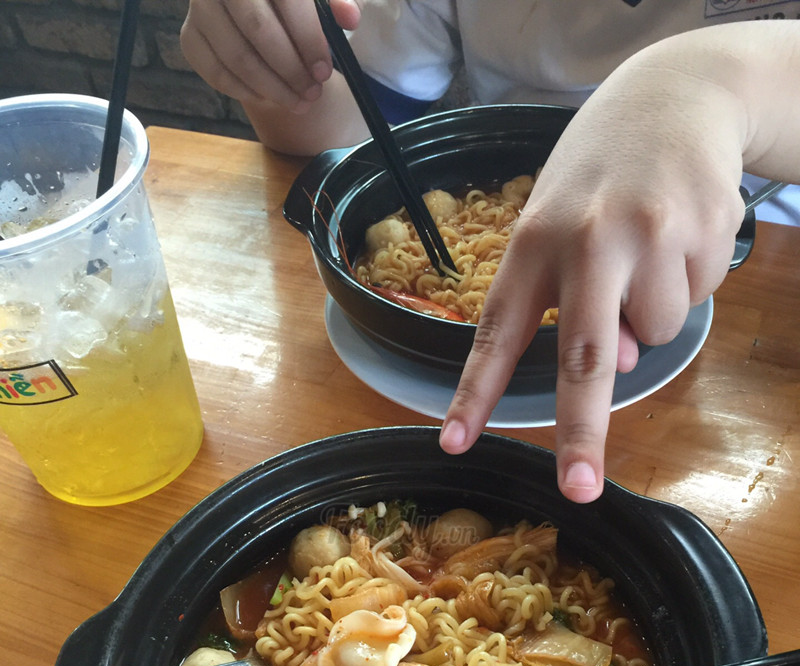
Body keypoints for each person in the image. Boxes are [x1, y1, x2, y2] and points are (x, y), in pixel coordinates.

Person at [181, 2, 800, 500]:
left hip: (757, 310)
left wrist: (712, 81)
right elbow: (351, 132)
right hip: (403, 400)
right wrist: (271, 55)